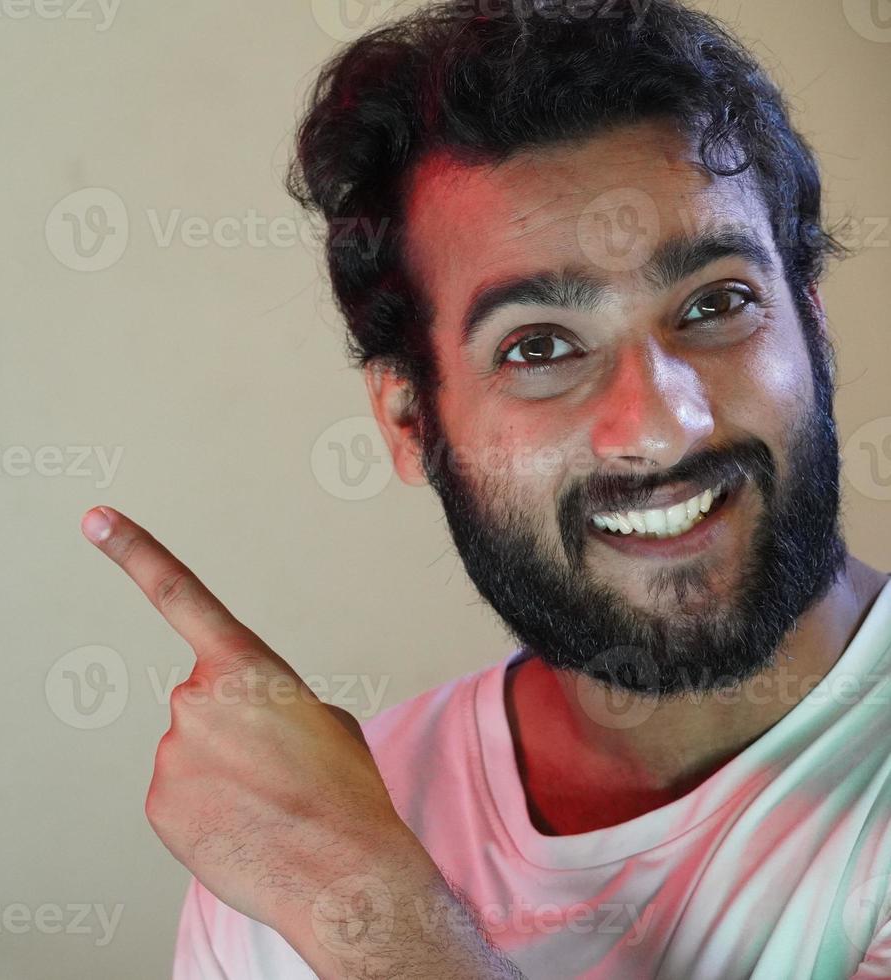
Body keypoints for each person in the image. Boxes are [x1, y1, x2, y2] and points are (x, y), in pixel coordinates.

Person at [80, 1, 891, 976]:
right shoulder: (296, 830)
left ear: (813, 324)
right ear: (410, 420)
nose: (660, 420)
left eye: (716, 302)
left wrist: (366, 906)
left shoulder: (324, 860)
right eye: (540, 345)